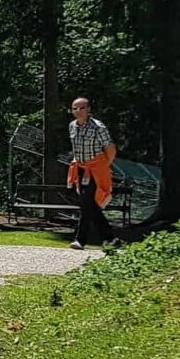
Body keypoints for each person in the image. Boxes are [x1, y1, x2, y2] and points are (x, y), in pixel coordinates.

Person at [64, 97, 116, 249]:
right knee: (87, 203)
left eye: (81, 108)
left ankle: (82, 239)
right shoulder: (72, 126)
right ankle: (109, 238)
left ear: (88, 110)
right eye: (75, 108)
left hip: (96, 168)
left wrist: (103, 166)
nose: (78, 111)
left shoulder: (98, 127)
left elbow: (110, 149)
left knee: (87, 202)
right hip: (81, 168)